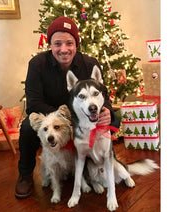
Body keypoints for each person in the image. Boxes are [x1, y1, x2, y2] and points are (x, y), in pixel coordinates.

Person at [15, 16, 115, 199]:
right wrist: (63, 121)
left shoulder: (90, 64)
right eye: (57, 43)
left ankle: (94, 167)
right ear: (50, 44)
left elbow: (104, 97)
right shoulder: (37, 65)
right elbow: (34, 104)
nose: (63, 49)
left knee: (112, 119)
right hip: (52, 117)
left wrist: (107, 111)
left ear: (76, 44)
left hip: (84, 119)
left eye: (69, 43)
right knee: (28, 128)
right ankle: (25, 174)